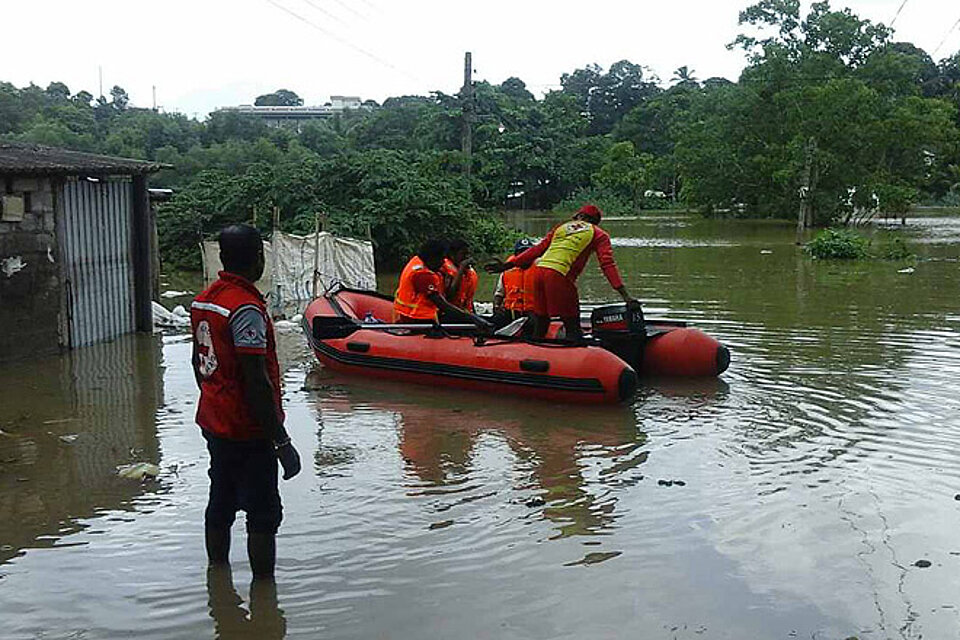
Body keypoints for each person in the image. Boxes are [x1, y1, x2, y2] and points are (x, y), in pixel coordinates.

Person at [191, 224, 302, 582]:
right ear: (259, 258)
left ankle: (218, 578)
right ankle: (265, 592)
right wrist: (281, 441)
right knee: (262, 512)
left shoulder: (205, 299)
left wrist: (214, 398)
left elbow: (198, 362)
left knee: (220, 499)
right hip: (248, 428)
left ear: (222, 258)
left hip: (215, 422)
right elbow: (257, 381)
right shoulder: (245, 308)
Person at [485, 204, 639, 340]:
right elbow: (607, 265)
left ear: (579, 217)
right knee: (572, 326)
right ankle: (573, 358)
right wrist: (626, 296)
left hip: (539, 272)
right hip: (559, 275)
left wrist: (507, 266)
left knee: (541, 323)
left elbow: (537, 249)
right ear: (595, 222)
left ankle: (536, 352)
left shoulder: (561, 228)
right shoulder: (599, 234)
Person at [393, 238, 492, 330]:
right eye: (440, 259)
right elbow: (442, 304)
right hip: (417, 320)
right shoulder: (422, 274)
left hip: (421, 317)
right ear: (432, 258)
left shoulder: (418, 262)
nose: (442, 264)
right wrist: (472, 318)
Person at [491, 237, 535, 329]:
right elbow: (499, 293)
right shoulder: (507, 270)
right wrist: (496, 306)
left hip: (533, 314)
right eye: (521, 252)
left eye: (527, 252)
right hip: (511, 312)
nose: (524, 255)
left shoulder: (540, 269)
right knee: (495, 322)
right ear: (516, 255)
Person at [441, 238, 478, 313]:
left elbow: (468, 299)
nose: (467, 257)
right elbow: (449, 296)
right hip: (450, 313)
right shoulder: (443, 269)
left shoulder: (469, 272)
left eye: (468, 254)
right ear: (452, 255)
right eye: (463, 254)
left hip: (465, 312)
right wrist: (461, 268)